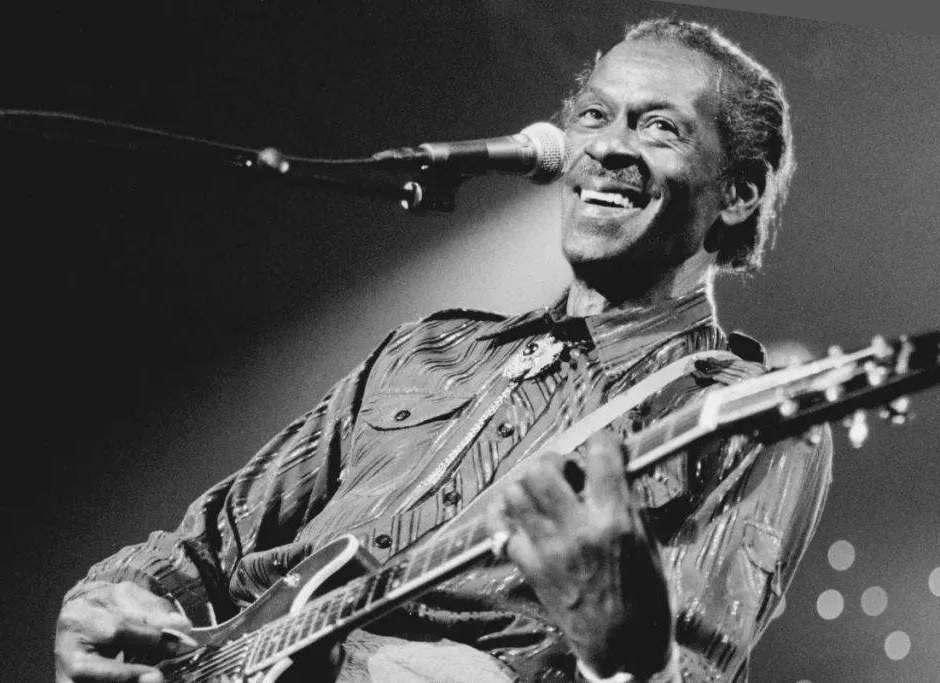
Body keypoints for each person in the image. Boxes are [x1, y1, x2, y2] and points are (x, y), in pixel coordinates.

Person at [54, 18, 833, 683]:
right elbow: (206, 546)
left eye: (660, 126)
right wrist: (107, 594)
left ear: (739, 190)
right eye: (593, 116)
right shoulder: (426, 349)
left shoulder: (749, 416)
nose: (607, 148)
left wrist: (623, 652)